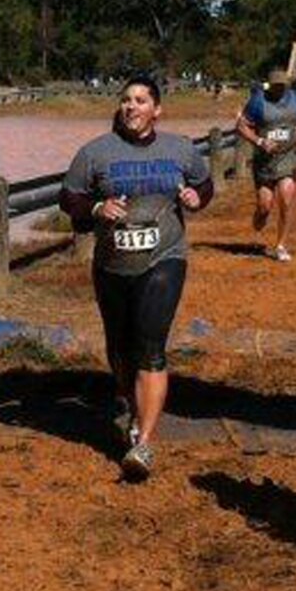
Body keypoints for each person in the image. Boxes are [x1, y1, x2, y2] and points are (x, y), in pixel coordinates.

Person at [62, 75, 214, 481]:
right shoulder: (95, 153)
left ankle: (144, 442)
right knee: (120, 345)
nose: (132, 106)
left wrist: (196, 198)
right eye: (126, 100)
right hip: (112, 264)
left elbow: (203, 183)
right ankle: (131, 404)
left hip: (165, 257)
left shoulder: (180, 149)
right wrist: (96, 209)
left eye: (141, 100)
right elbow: (69, 197)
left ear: (157, 110)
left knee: (150, 342)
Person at [237, 67, 296, 261]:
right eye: (276, 86)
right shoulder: (258, 101)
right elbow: (241, 126)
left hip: (288, 156)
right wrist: (260, 141)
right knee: (265, 206)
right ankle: (260, 216)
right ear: (269, 85)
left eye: (283, 86)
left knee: (286, 199)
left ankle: (281, 245)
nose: (280, 90)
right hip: (265, 161)